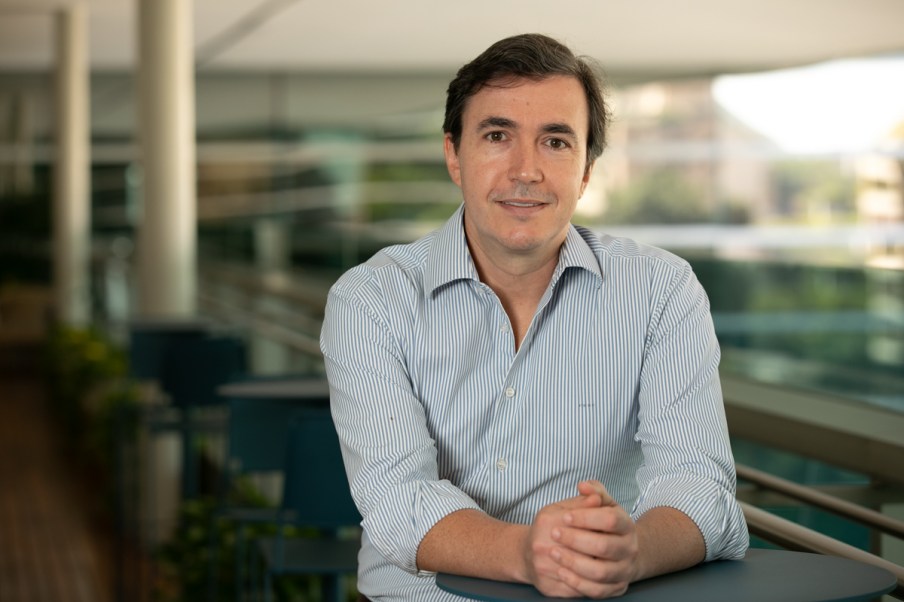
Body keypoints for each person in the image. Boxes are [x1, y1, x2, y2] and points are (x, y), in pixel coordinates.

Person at [320, 33, 749, 601]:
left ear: (587, 170)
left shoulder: (661, 292)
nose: (526, 170)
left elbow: (700, 486)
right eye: (498, 136)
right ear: (454, 154)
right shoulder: (370, 300)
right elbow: (398, 500)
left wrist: (633, 550)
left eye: (555, 142)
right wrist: (527, 554)